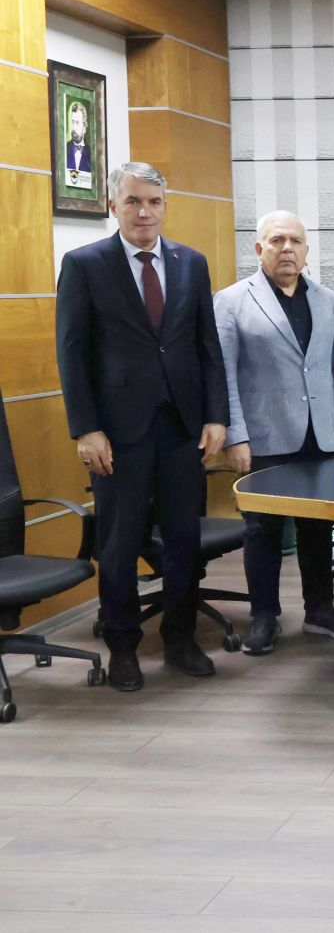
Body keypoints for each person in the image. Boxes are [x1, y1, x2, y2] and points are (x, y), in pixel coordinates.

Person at [55, 161, 227, 692]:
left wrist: (216, 416)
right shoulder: (85, 264)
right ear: (114, 206)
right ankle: (123, 647)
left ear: (165, 206)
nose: (144, 212)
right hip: (117, 433)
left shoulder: (190, 262)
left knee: (183, 541)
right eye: (133, 201)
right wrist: (86, 428)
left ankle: (180, 638)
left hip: (182, 428)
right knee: (119, 543)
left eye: (153, 201)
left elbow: (207, 346)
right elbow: (72, 352)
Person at [215, 211, 334, 656]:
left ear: (306, 250)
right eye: (277, 240)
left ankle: (320, 609)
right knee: (263, 530)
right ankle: (264, 616)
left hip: (321, 435)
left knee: (319, 526)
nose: (287, 249)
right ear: (259, 249)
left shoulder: (326, 299)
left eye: (295, 241)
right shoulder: (232, 300)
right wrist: (235, 436)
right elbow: (224, 376)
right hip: (264, 436)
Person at [65, 100, 92, 188]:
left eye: (77, 123)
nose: (74, 127)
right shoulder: (64, 149)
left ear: (84, 127)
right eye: (72, 122)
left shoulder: (91, 153)